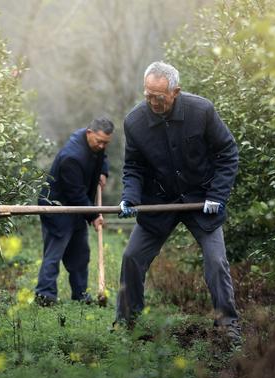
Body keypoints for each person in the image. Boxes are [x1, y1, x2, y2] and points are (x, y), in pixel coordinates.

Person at [116, 61, 241, 344]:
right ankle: (127, 322)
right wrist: (130, 197)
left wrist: (217, 195)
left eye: (158, 96)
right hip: (159, 202)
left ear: (176, 91)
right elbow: (133, 167)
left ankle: (228, 325)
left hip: (201, 200)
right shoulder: (135, 122)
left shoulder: (202, 111)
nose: (152, 101)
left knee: (216, 261)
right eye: (147, 95)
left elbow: (228, 153)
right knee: (132, 257)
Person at [35, 117, 114, 306]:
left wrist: (103, 171)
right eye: (99, 141)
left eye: (106, 142)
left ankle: (81, 296)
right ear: (89, 133)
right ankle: (45, 296)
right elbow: (76, 193)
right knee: (55, 253)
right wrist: (94, 215)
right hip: (57, 207)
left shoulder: (93, 143)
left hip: (77, 207)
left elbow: (101, 157)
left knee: (80, 254)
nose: (102, 146)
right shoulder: (72, 157)